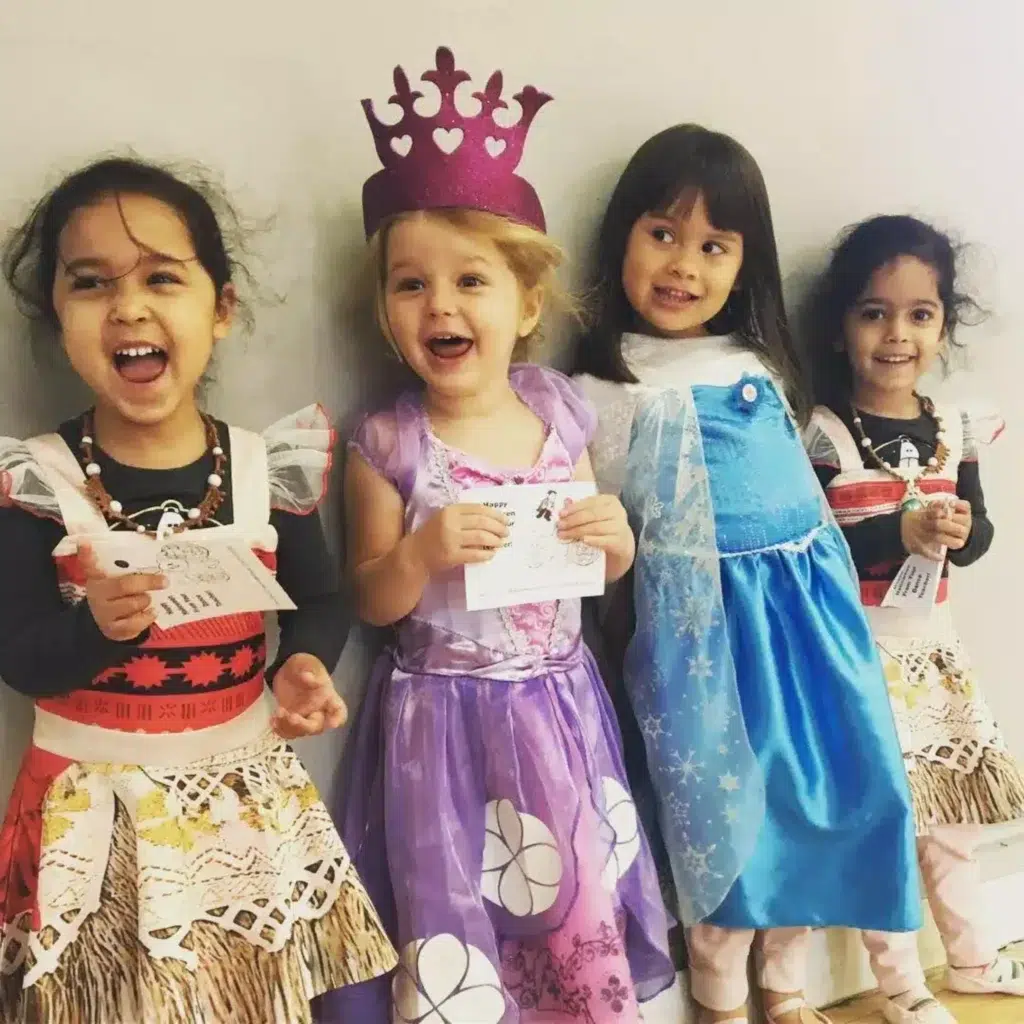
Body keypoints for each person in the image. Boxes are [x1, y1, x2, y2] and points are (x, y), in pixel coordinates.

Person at [318, 47, 675, 1024]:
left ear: (524, 306)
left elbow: (596, 562)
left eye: (470, 281)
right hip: (440, 725)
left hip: (555, 710)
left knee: (562, 906)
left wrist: (616, 541)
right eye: (409, 285)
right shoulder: (387, 441)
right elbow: (369, 599)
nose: (439, 305)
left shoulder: (558, 414)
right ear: (387, 312)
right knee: (457, 921)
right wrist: (421, 553)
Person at [0, 157, 396, 1023]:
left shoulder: (263, 468)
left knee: (249, 999)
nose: (129, 306)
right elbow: (19, 653)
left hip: (238, 804)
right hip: (93, 816)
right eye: (91, 283)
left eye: (162, 279)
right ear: (57, 317)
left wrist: (303, 666)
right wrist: (94, 630)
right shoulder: (36, 481)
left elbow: (321, 599)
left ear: (219, 309)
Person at [573, 124, 921, 1024]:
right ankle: (723, 996)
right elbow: (606, 535)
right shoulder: (605, 390)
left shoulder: (760, 367)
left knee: (821, 800)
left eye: (714, 246)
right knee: (722, 814)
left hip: (811, 625)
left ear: (743, 264)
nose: (684, 265)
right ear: (620, 238)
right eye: (662, 234)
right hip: (705, 639)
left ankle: (787, 986)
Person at [804, 213, 1024, 1024]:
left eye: (920, 315)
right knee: (884, 827)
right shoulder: (825, 436)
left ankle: (970, 958)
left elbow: (979, 534)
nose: (897, 334)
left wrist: (960, 531)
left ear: (944, 324)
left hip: (936, 659)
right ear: (840, 327)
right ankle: (901, 984)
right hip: (861, 662)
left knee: (955, 824)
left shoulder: (954, 428)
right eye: (874, 312)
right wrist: (897, 531)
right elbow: (817, 554)